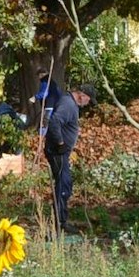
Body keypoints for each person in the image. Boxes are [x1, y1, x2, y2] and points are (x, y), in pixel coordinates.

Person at [33, 75, 90, 234]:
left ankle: (61, 220)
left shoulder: (69, 103)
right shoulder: (68, 104)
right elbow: (54, 122)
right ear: (82, 95)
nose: (88, 104)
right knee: (63, 184)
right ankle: (59, 223)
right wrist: (60, 143)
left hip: (61, 152)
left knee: (64, 184)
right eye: (88, 100)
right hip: (57, 151)